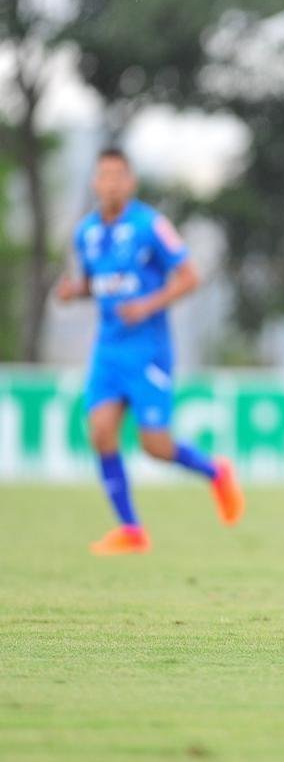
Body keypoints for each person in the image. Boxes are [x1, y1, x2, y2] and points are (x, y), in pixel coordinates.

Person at [57, 148, 244, 556]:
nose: (110, 183)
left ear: (130, 182)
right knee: (101, 432)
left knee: (154, 445)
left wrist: (146, 305)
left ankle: (216, 471)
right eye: (103, 175)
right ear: (94, 182)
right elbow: (95, 283)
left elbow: (190, 277)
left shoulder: (150, 225)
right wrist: (75, 292)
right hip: (107, 350)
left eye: (117, 175)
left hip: (148, 350)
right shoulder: (85, 232)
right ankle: (131, 529)